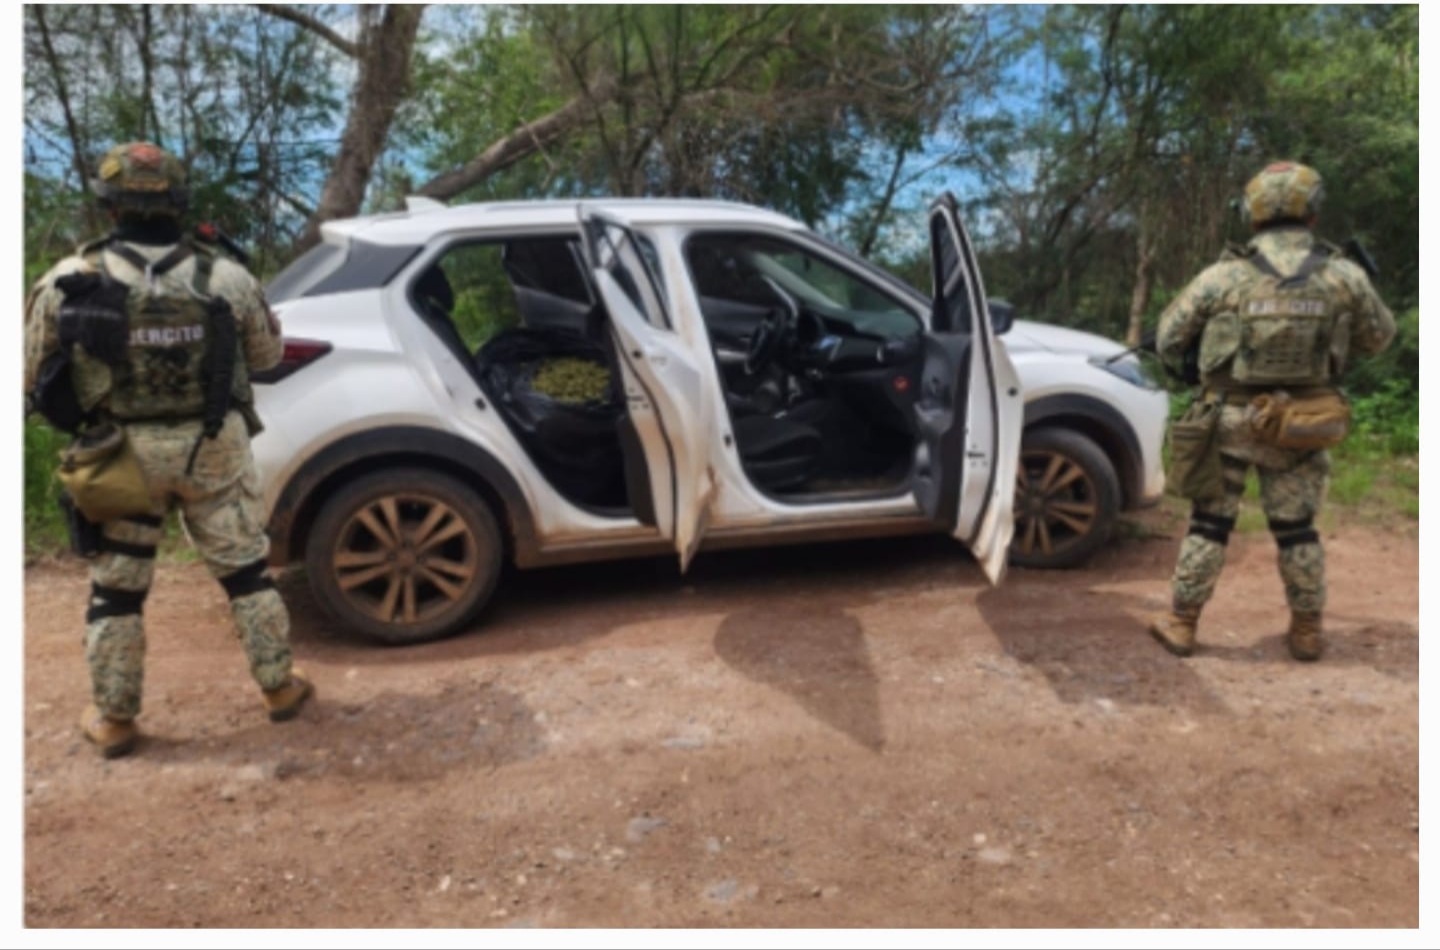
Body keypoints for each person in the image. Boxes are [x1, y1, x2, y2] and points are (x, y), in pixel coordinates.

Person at [23, 142, 313, 758]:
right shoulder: (227, 277)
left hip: (118, 453)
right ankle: (280, 688)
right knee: (246, 573)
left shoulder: (68, 280)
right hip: (212, 447)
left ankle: (115, 720)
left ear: (109, 208)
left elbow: (31, 373)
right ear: (179, 204)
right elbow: (265, 357)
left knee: (117, 589)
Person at [1148, 161, 1395, 661]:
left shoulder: (1223, 276)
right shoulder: (1343, 275)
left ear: (1253, 214)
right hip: (1302, 423)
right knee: (1297, 529)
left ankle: (1182, 623)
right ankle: (1307, 632)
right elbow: (1379, 338)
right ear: (1313, 212)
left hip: (1228, 421)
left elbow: (1167, 338)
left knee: (1208, 524)